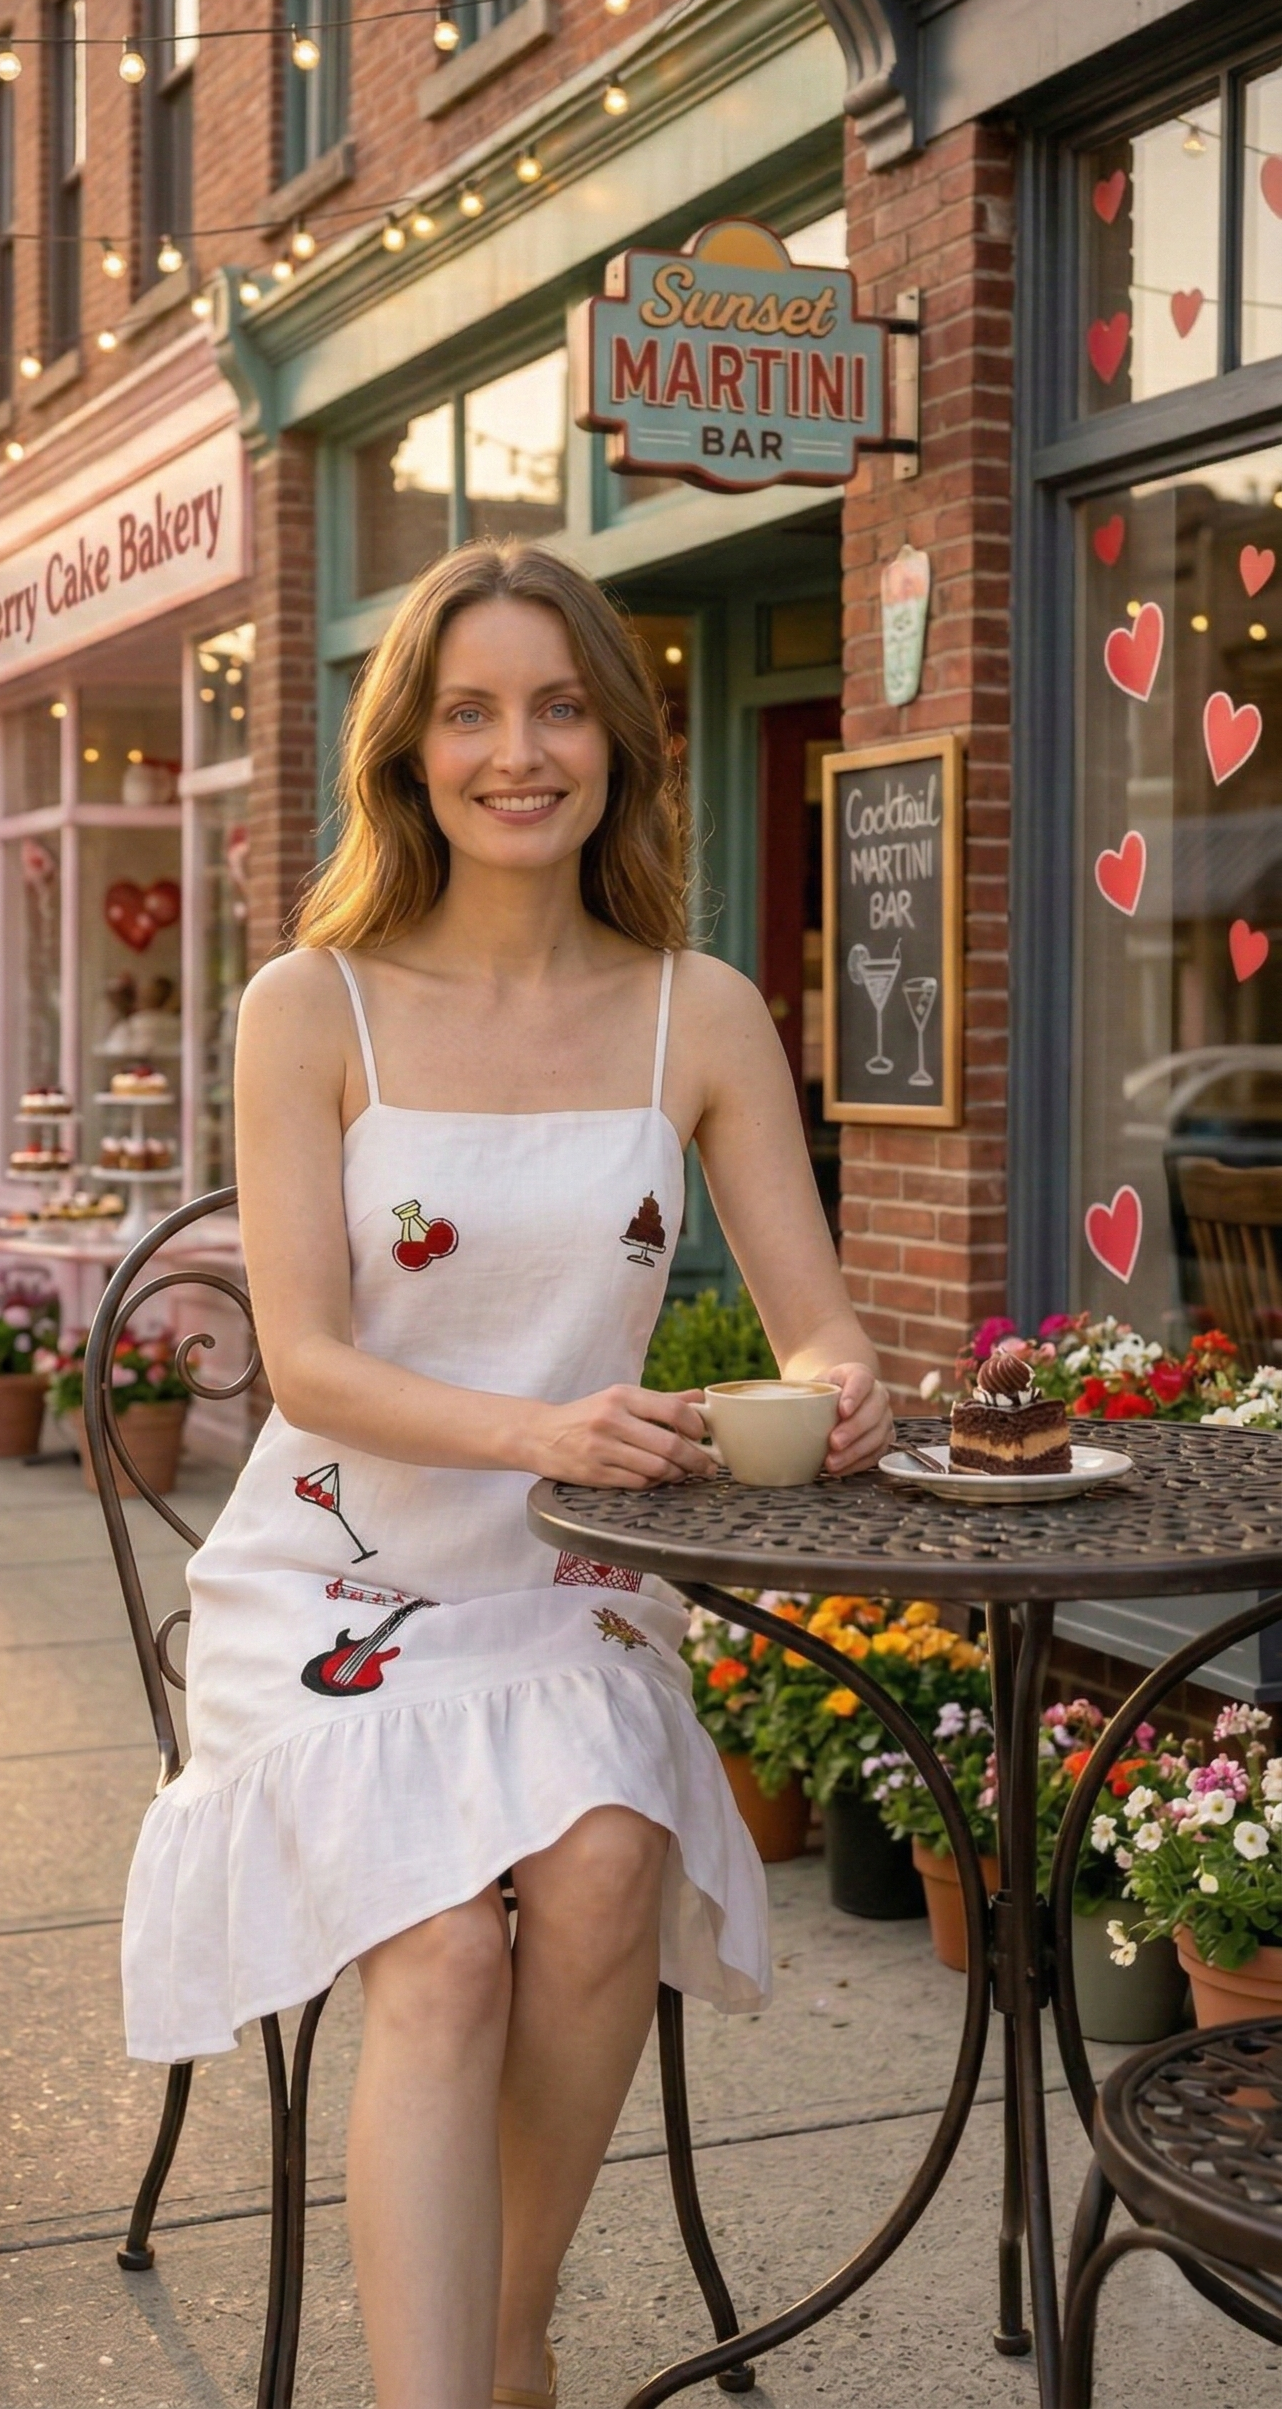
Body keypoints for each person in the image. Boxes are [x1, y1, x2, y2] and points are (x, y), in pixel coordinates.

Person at [119, 542, 893, 2409]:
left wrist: (837, 1391)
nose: (517, 751)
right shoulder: (311, 1003)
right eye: (468, 712)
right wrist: (540, 1428)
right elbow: (305, 1362)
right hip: (335, 1576)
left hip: (569, 1579)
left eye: (557, 707)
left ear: (618, 739)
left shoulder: (700, 1010)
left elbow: (820, 1330)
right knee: (449, 1954)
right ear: (410, 751)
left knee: (610, 1864)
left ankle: (509, 2332)